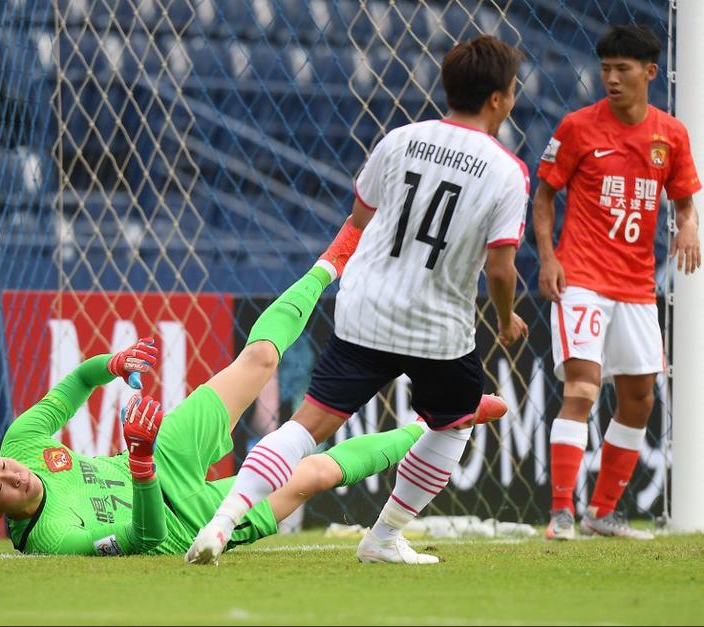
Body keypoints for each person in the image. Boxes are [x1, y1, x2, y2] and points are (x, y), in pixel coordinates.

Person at [187, 35, 528, 566]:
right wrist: (506, 320)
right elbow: (502, 268)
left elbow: (362, 216)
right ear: (499, 100)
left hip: (365, 312)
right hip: (438, 329)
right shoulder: (507, 171)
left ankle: (221, 521)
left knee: (305, 428)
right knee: (454, 421)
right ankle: (384, 537)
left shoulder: (399, 140)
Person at [0, 255, 442, 557]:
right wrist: (138, 465)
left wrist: (110, 364)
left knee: (259, 358)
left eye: (1, 466)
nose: (14, 475)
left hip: (163, 455)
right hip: (185, 522)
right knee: (310, 474)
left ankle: (331, 259)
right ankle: (431, 425)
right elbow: (145, 535)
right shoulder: (50, 540)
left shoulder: (23, 442)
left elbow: (75, 384)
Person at [534, 25, 701, 541]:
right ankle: (561, 512)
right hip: (581, 277)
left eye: (622, 69)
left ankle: (601, 513)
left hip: (634, 288)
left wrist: (689, 224)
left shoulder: (670, 134)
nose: (610, 78)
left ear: (650, 72)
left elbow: (683, 196)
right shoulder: (578, 128)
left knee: (640, 399)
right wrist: (547, 257)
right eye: (605, 68)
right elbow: (542, 197)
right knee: (582, 387)